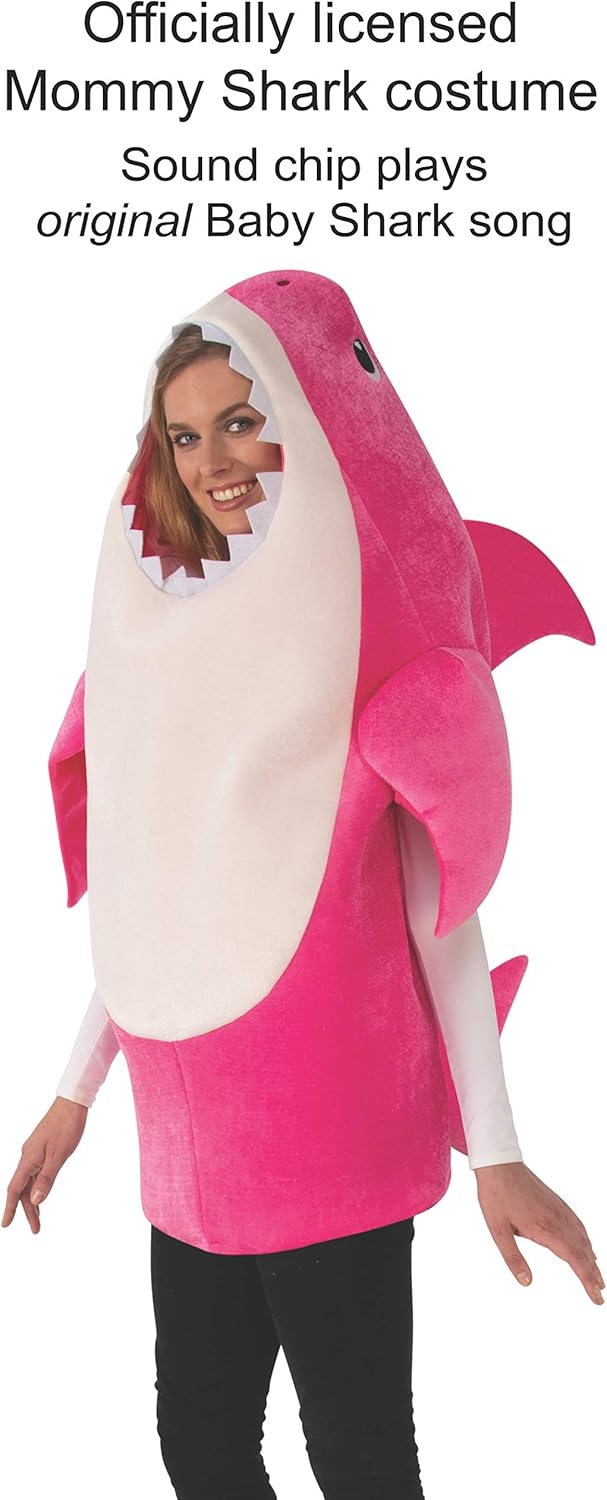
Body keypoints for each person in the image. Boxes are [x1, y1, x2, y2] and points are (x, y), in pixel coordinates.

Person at [2, 273, 604, 1500]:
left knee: (359, 1455)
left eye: (241, 419)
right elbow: (164, 896)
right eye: (185, 436)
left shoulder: (361, 649)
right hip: (190, 1153)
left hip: (331, 1139)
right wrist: (75, 1089)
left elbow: (444, 921)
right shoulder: (159, 652)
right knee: (200, 1444)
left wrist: (496, 1152)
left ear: (303, 416)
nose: (215, 458)